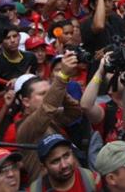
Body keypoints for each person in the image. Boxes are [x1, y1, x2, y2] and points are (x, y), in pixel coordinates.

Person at [15, 52, 83, 184]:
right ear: (26, 101)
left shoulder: (52, 117)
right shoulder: (25, 127)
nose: (47, 96)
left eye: (49, 92)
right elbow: (47, 108)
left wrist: (59, 92)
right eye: (42, 94)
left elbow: (74, 112)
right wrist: (62, 78)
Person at [29, 134, 100, 192]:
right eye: (55, 161)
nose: (64, 165)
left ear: (72, 154)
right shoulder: (35, 190)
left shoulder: (93, 181)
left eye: (66, 156)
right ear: (44, 167)